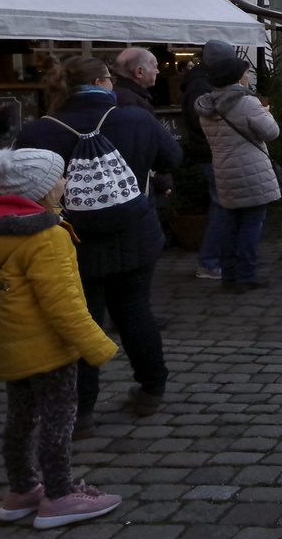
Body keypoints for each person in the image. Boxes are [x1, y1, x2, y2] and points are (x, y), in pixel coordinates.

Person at [18, 56, 180, 435]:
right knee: (135, 310)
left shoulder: (39, 131)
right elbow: (173, 157)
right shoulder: (135, 118)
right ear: (102, 81)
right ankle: (152, 388)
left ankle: (81, 411)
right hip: (135, 230)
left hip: (70, 238)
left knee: (79, 319)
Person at [0, 149, 122, 529]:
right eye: (60, 177)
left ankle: (22, 489)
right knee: (58, 419)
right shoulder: (47, 236)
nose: (65, 183)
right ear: (39, 189)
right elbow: (63, 303)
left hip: (9, 345)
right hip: (47, 348)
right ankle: (59, 494)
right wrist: (98, 346)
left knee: (19, 417)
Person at [194, 57, 281, 290]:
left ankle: (229, 275)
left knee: (230, 224)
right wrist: (266, 112)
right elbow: (271, 132)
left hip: (223, 169)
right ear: (236, 76)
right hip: (251, 170)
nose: (248, 76)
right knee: (251, 224)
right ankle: (246, 274)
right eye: (246, 72)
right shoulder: (247, 103)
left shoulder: (206, 105)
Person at [181, 41, 236, 279]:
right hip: (211, 152)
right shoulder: (201, 85)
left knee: (223, 205)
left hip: (213, 151)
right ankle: (210, 260)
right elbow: (200, 121)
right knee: (222, 206)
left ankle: (218, 257)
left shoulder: (202, 81)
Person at [110, 48, 161, 114]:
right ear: (139, 71)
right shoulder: (132, 102)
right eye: (155, 67)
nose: (157, 71)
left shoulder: (112, 93)